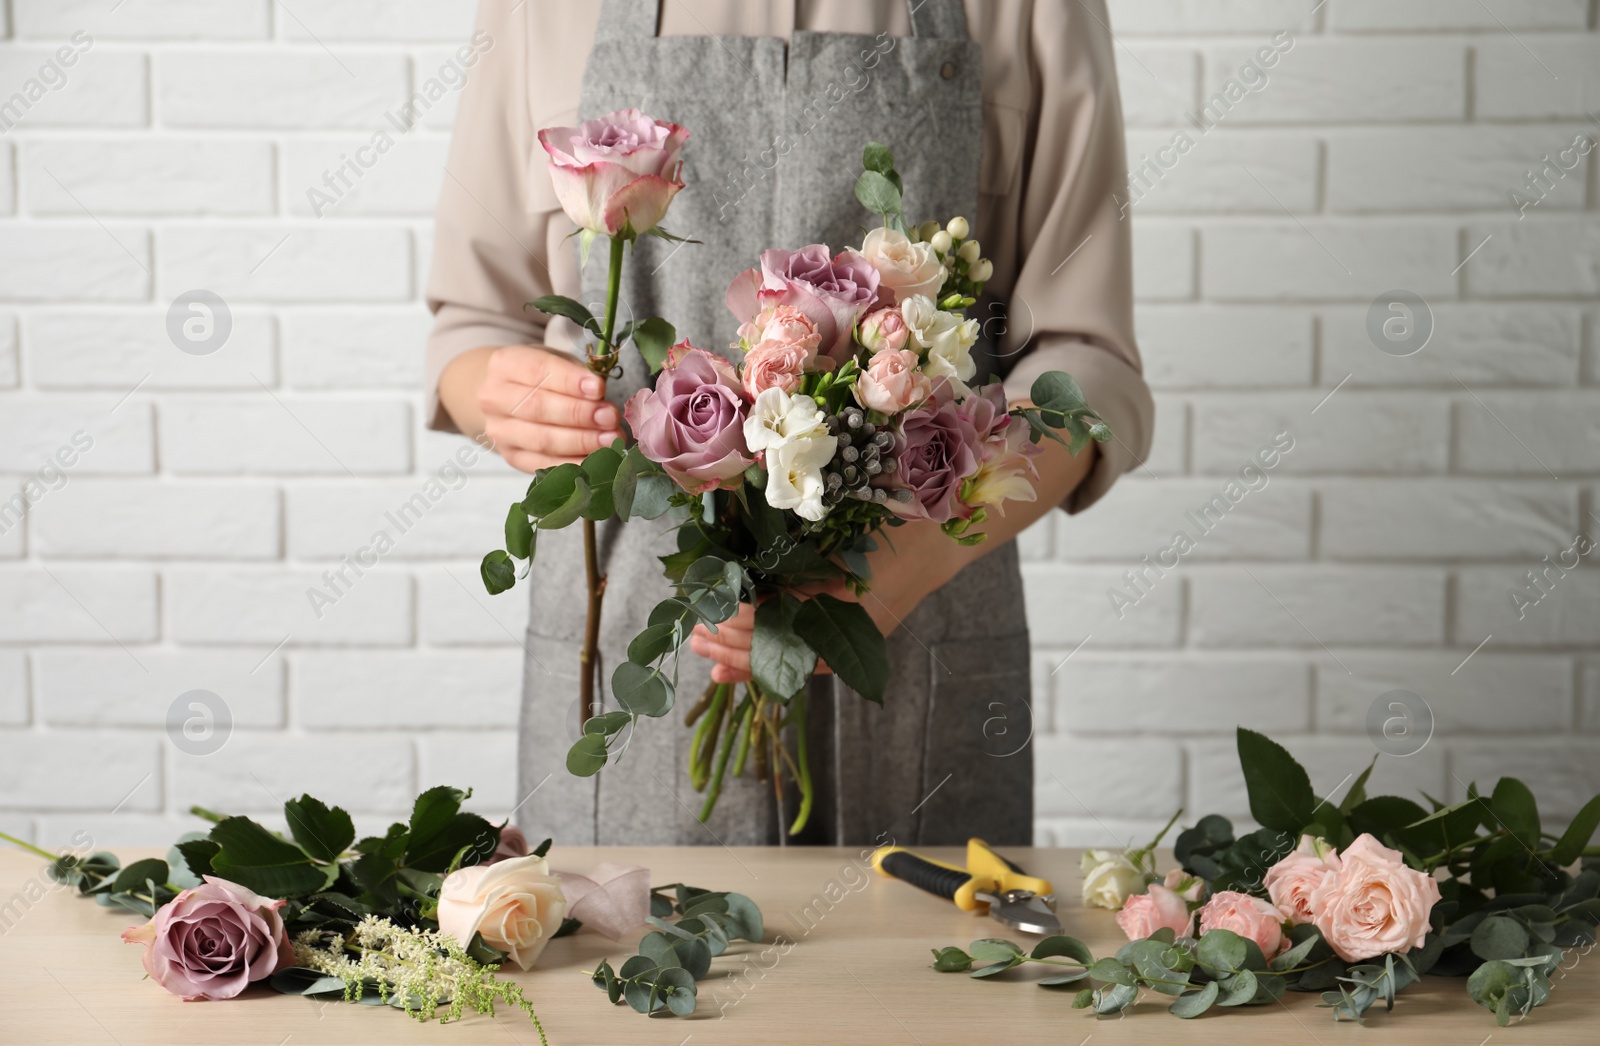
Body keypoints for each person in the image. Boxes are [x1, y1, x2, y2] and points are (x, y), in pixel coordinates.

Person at [425, 0, 1154, 847]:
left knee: (915, 970)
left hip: (917, 636)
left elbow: (1088, 364)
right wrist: (505, 395)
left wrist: (900, 566)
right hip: (628, 627)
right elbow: (472, 323)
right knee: (615, 961)